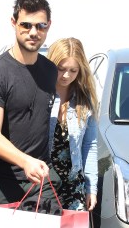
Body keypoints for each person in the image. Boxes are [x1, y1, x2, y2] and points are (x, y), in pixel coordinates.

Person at [0, 0, 61, 228]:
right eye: (26, 25)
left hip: (39, 181)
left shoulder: (50, 71)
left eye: (40, 26)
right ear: (14, 23)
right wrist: (25, 161)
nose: (33, 32)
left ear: (48, 26)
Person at [47, 37, 98, 212]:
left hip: (73, 184)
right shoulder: (40, 94)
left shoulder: (85, 99)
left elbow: (90, 145)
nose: (66, 75)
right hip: (43, 183)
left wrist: (91, 188)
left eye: (73, 70)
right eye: (61, 69)